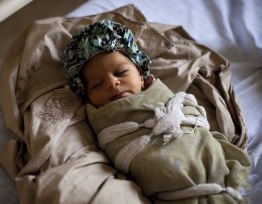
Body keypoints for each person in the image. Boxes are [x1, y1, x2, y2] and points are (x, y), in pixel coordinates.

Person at [62, 20, 252, 203]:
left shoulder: (165, 97)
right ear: (88, 97)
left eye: (121, 73)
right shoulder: (100, 119)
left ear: (142, 77)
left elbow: (194, 117)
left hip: (213, 171)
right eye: (97, 85)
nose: (112, 83)